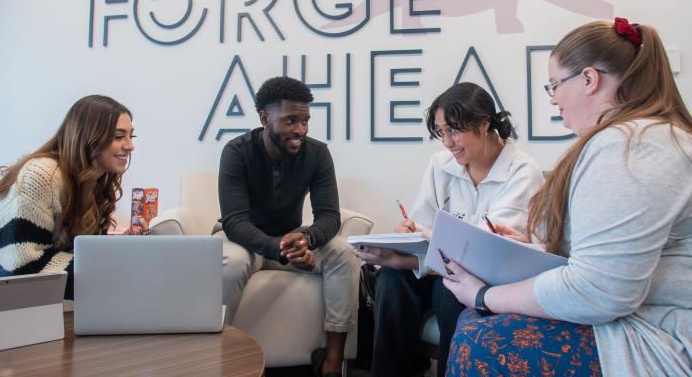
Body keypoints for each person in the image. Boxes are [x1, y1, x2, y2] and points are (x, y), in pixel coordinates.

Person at [442, 18, 692, 376]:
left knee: (481, 337)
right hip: (638, 316)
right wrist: (531, 247)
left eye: (555, 85)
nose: (554, 98)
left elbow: (599, 290)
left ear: (589, 79)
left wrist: (483, 296)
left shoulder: (631, 145)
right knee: (472, 319)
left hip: (658, 336)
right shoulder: (639, 139)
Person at [355, 82, 544, 377]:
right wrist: (407, 233)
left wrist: (411, 254)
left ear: (484, 124)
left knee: (450, 292)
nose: (447, 142)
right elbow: (423, 225)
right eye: (441, 133)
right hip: (440, 267)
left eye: (454, 131)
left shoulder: (521, 172)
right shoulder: (441, 164)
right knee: (391, 278)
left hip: (485, 277)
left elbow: (482, 253)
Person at [216, 76, 358, 377]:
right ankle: (217, 358)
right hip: (245, 241)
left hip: (292, 240)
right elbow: (234, 221)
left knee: (344, 253)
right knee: (231, 261)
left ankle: (332, 363)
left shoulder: (317, 153)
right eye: (291, 120)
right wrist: (279, 249)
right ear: (265, 117)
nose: (301, 130)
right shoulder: (237, 152)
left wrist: (307, 239)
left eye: (305, 121)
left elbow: (329, 216)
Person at [0, 95, 135, 299]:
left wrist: (120, 254)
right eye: (119, 136)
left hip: (23, 263)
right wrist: (106, 273)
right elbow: (23, 261)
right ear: (89, 137)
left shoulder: (96, 178)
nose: (130, 146)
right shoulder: (42, 174)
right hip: (3, 263)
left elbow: (82, 250)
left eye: (131, 136)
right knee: (112, 285)